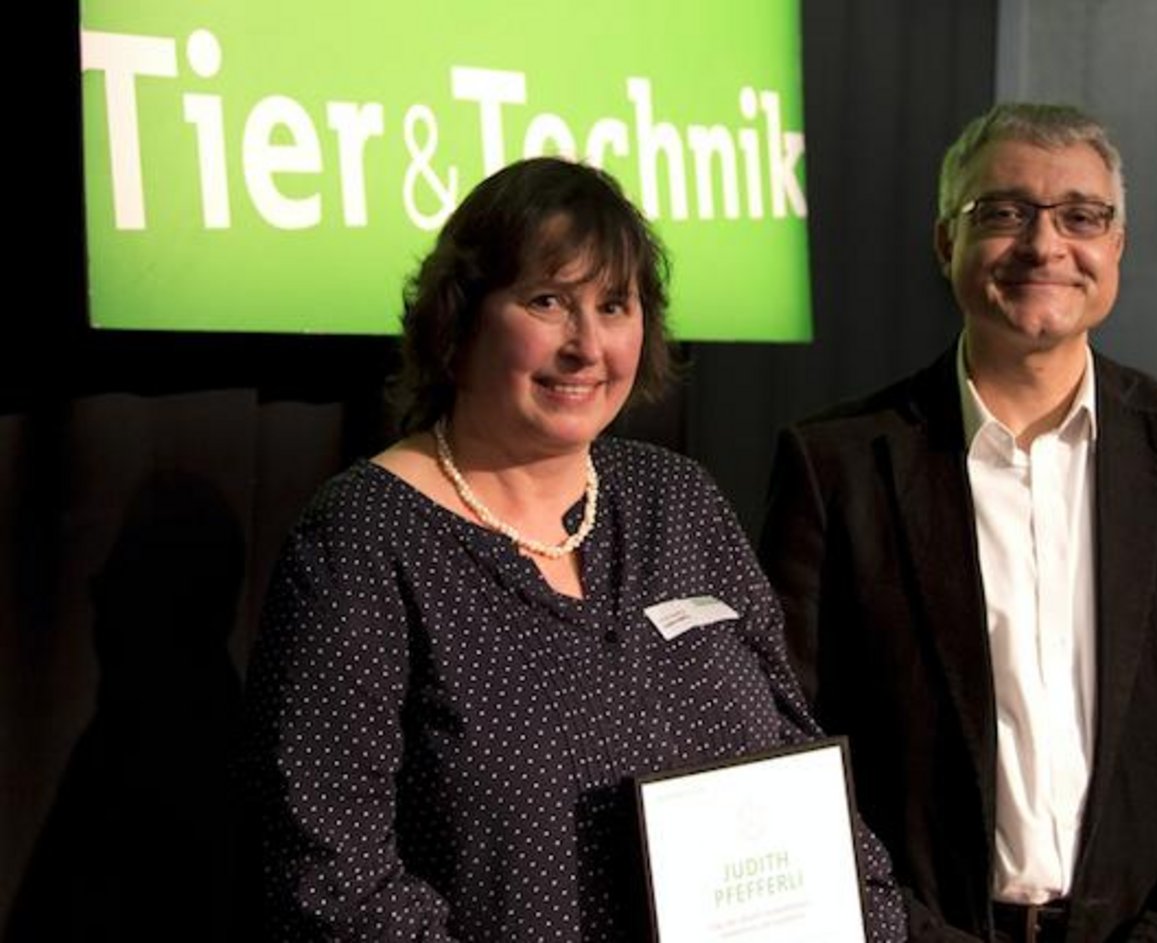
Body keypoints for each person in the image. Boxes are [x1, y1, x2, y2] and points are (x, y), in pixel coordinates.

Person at [242, 156, 905, 941]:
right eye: (548, 301)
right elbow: (331, 875)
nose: (586, 344)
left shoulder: (677, 499)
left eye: (615, 305)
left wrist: (869, 914)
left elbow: (796, 761)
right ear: (461, 317)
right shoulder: (362, 539)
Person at [759, 103, 1157, 943]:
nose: (1045, 245)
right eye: (1004, 211)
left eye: (1081, 216)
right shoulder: (834, 465)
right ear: (946, 242)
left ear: (1116, 246)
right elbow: (786, 738)